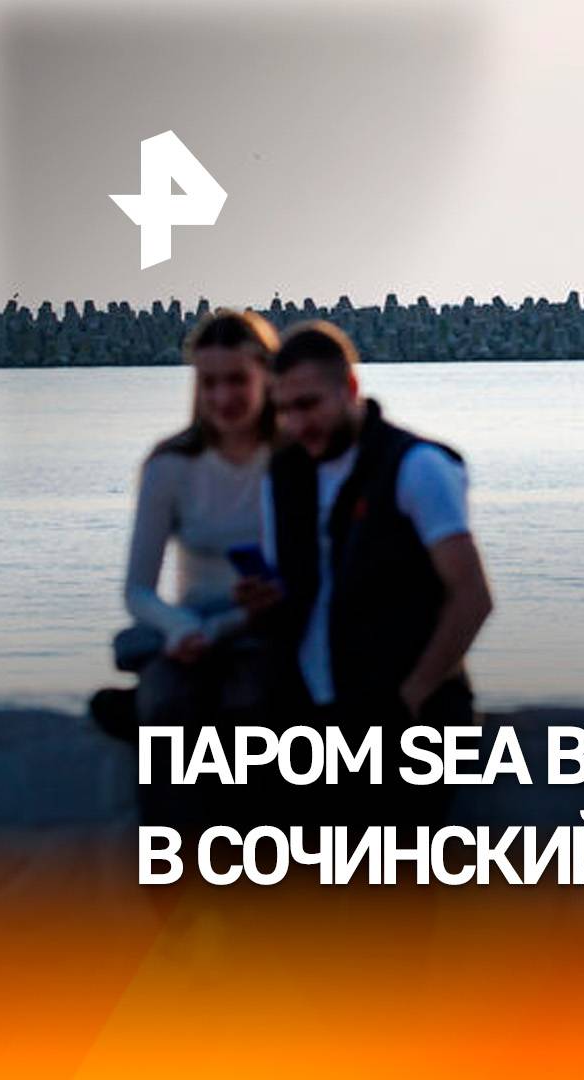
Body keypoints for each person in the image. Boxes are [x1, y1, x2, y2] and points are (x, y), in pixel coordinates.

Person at [235, 320, 493, 828]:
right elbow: (299, 595)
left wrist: (410, 698)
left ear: (350, 388)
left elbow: (472, 598)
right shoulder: (282, 476)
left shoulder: (416, 466)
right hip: (308, 721)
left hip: (410, 722)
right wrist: (261, 601)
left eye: (309, 405)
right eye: (284, 410)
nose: (297, 423)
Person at [122, 308, 281, 824]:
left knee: (251, 706)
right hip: (188, 635)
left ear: (265, 377)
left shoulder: (292, 460)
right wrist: (180, 628)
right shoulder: (170, 465)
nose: (222, 397)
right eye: (209, 383)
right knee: (165, 707)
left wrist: (233, 623)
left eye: (236, 380)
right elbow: (137, 590)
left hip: (266, 629)